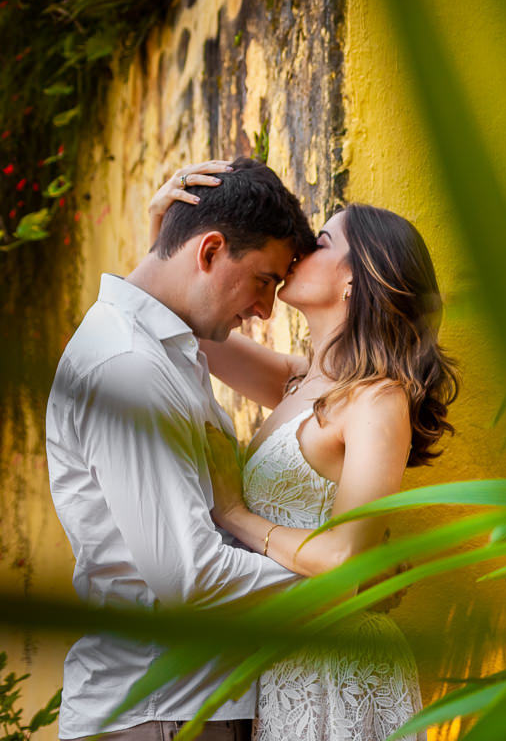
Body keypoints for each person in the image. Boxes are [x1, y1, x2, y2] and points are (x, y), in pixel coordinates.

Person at [146, 169, 459, 741]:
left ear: (355, 282)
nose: (299, 252)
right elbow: (181, 325)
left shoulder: (377, 400)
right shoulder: (296, 381)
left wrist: (236, 514)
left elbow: (347, 564)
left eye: (320, 245)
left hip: (335, 670)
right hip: (278, 659)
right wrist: (167, 236)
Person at [46, 157, 316, 739]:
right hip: (164, 712)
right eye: (266, 280)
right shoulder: (130, 366)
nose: (267, 309)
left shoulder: (167, 345)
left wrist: (159, 238)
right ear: (211, 251)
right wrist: (345, 585)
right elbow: (190, 579)